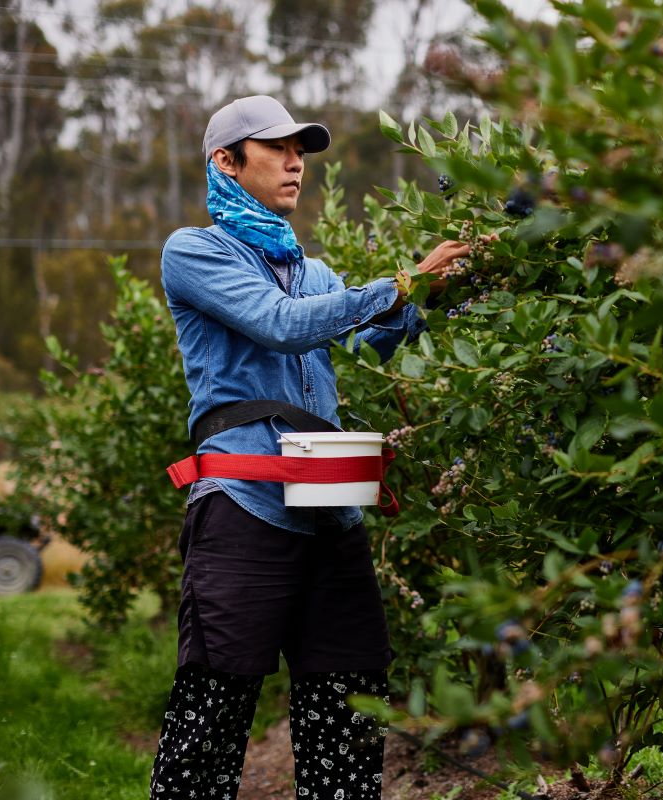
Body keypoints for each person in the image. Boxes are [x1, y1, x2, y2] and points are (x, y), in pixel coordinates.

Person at [149, 95, 470, 800]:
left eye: (302, 150)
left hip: (331, 511)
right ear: (225, 163)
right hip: (243, 508)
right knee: (214, 712)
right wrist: (400, 282)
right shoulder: (194, 252)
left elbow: (366, 338)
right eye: (277, 148)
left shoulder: (316, 275)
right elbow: (281, 325)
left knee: (351, 699)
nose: (297, 162)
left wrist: (436, 296)